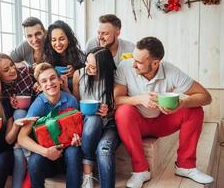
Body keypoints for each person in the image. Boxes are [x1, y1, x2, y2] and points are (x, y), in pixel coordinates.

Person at [114, 37, 214, 188]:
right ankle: (140, 170)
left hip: (162, 121)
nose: (133, 64)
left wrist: (183, 103)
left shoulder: (171, 71)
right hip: (137, 123)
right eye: (133, 58)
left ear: (155, 63)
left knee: (194, 110)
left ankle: (185, 166)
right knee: (123, 112)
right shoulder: (126, 66)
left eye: (139, 62)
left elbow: (206, 97)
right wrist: (139, 99)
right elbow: (116, 100)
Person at [17, 62, 83, 188]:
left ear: (59, 80)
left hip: (67, 158)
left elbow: (78, 131)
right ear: (40, 86)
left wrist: (77, 140)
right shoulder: (38, 105)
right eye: (44, 81)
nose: (50, 83)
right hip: (47, 159)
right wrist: (46, 152)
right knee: (35, 160)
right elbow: (21, 138)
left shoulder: (71, 100)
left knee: (74, 152)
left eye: (53, 78)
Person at [0, 53, 35, 188]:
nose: (12, 70)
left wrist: (38, 85)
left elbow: (42, 73)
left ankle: (27, 152)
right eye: (6, 70)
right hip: (16, 130)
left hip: (33, 119)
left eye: (12, 65)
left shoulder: (24, 72)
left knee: (20, 113)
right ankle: (25, 152)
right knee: (17, 151)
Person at [72, 47, 118, 188]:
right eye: (86, 63)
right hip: (87, 124)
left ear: (104, 68)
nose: (87, 68)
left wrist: (108, 112)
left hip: (109, 124)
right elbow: (75, 104)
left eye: (92, 67)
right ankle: (87, 174)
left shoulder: (114, 79)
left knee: (104, 150)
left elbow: (117, 108)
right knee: (94, 119)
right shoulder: (78, 74)